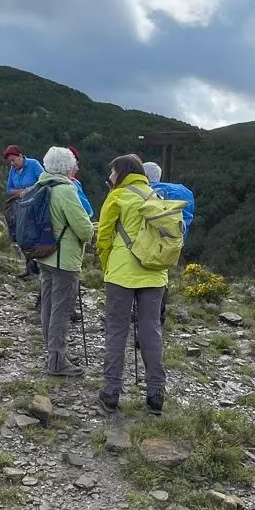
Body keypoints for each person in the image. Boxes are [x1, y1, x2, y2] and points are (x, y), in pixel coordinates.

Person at [95, 154, 170, 415]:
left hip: (121, 274)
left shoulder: (117, 196)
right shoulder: (156, 196)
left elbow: (103, 236)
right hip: (155, 273)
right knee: (151, 330)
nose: (110, 177)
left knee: (117, 330)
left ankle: (111, 391)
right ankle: (155, 394)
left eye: (113, 172)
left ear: (123, 172)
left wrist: (107, 264)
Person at [30, 147, 93, 375]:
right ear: (67, 166)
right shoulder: (66, 190)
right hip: (64, 258)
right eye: (74, 164)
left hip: (44, 254)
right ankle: (57, 359)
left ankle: (53, 351)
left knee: (47, 303)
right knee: (61, 308)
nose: (75, 167)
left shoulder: (41, 184)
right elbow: (85, 230)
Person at [142, 160, 195, 326]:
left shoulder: (147, 193)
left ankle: (141, 319)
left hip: (149, 246)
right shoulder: (180, 192)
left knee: (145, 282)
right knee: (162, 280)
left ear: (145, 176)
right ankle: (159, 319)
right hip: (172, 245)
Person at [3, 144, 45, 278]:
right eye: (10, 161)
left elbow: (43, 181)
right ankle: (29, 268)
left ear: (20, 156)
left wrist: (28, 190)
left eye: (13, 160)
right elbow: (9, 188)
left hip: (35, 205)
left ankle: (38, 268)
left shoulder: (33, 164)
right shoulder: (12, 170)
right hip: (20, 207)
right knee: (22, 236)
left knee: (34, 236)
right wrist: (20, 192)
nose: (12, 163)